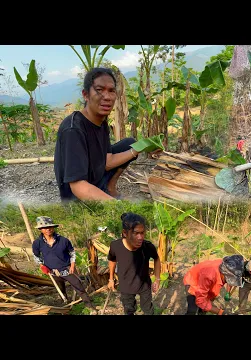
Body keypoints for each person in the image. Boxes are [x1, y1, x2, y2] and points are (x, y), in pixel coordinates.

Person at [54, 67, 142, 201]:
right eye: (99, 90)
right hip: (78, 195)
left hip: (96, 178)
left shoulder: (101, 122)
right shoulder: (73, 129)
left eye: (111, 91)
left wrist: (140, 149)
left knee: (129, 144)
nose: (107, 97)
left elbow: (108, 161)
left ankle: (109, 189)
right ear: (86, 95)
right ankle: (103, 196)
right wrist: (117, 207)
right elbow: (78, 186)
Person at [32, 216, 98, 314]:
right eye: (45, 228)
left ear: (53, 227)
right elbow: (36, 256)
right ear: (40, 229)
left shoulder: (63, 240)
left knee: (79, 287)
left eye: (50, 227)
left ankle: (89, 306)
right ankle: (65, 307)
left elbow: (72, 253)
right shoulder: (37, 243)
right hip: (52, 271)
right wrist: (42, 265)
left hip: (67, 269)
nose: (48, 229)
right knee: (61, 289)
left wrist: (72, 266)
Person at [107, 212, 161, 315]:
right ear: (125, 233)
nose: (140, 237)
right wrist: (111, 279)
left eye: (142, 233)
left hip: (144, 284)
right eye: (136, 233)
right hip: (126, 286)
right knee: (129, 311)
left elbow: (156, 259)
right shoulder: (116, 246)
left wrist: (157, 279)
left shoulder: (147, 246)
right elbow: (112, 259)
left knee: (148, 310)